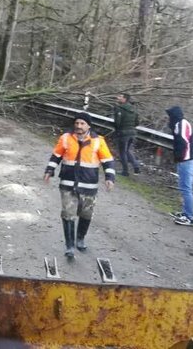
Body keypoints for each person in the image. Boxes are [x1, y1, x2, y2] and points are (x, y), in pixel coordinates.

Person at [44, 112, 115, 258]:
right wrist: (50, 170)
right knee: (68, 214)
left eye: (82, 123)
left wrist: (110, 177)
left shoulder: (98, 141)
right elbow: (56, 155)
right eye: (77, 123)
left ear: (88, 125)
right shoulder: (65, 138)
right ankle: (69, 246)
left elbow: (107, 161)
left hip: (89, 185)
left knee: (86, 214)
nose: (79, 126)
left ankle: (80, 239)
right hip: (68, 183)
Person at [166, 106, 193, 226]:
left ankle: (189, 217)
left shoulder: (182, 123)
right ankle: (185, 213)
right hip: (188, 160)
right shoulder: (179, 123)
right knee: (185, 188)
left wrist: (180, 158)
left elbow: (183, 141)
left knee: (186, 189)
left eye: (170, 115)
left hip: (187, 161)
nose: (169, 118)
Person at [113, 93, 140, 176]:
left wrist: (117, 130)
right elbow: (137, 122)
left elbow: (117, 123)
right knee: (127, 150)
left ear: (124, 99)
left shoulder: (119, 109)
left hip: (123, 133)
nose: (117, 97)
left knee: (122, 152)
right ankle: (136, 166)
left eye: (120, 96)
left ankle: (125, 171)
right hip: (132, 133)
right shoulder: (134, 109)